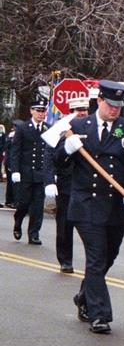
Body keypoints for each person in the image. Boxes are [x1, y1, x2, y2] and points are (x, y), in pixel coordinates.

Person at [54, 80, 124, 334]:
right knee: (96, 258)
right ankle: (100, 315)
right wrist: (67, 148)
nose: (115, 109)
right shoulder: (77, 126)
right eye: (110, 104)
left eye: (119, 105)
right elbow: (57, 161)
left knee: (109, 256)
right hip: (86, 204)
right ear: (99, 101)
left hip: (115, 207)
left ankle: (84, 296)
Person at [43, 96, 91, 273]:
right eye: (77, 110)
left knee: (91, 226)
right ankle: (65, 260)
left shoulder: (93, 127)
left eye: (84, 110)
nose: (81, 113)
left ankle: (93, 261)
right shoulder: (61, 130)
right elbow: (49, 156)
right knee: (65, 224)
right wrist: (49, 180)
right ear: (70, 112)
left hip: (88, 184)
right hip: (67, 183)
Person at [10, 95, 51, 244]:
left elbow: (50, 152)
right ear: (31, 111)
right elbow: (16, 151)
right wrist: (15, 170)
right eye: (38, 110)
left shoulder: (48, 128)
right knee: (23, 204)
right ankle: (18, 221)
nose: (41, 113)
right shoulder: (22, 128)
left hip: (40, 173)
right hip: (25, 172)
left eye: (43, 111)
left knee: (38, 207)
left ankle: (34, 234)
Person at [3, 121, 21, 208]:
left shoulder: (11, 136)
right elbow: (10, 150)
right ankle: (13, 201)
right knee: (14, 184)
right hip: (11, 162)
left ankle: (10, 200)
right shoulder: (12, 136)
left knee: (12, 183)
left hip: (10, 161)